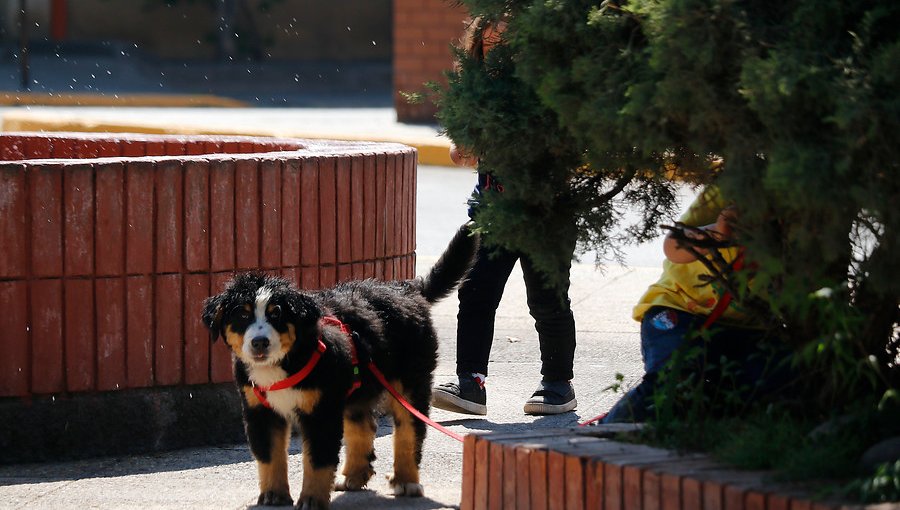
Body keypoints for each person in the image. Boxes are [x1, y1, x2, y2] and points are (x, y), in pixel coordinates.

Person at [430, 17, 578, 416]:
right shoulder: (478, 90)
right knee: (476, 291)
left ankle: (558, 383)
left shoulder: (544, 87)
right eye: (490, 44)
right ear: (478, 48)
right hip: (492, 210)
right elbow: (463, 150)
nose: (498, 52)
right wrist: (464, 150)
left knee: (547, 299)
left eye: (506, 43)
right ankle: (470, 383)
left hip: (545, 213)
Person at [600, 186, 791, 423]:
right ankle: (605, 433)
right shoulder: (734, 185)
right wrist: (716, 233)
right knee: (673, 378)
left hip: (751, 327)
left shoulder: (814, 209)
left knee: (769, 384)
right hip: (678, 309)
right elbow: (673, 246)